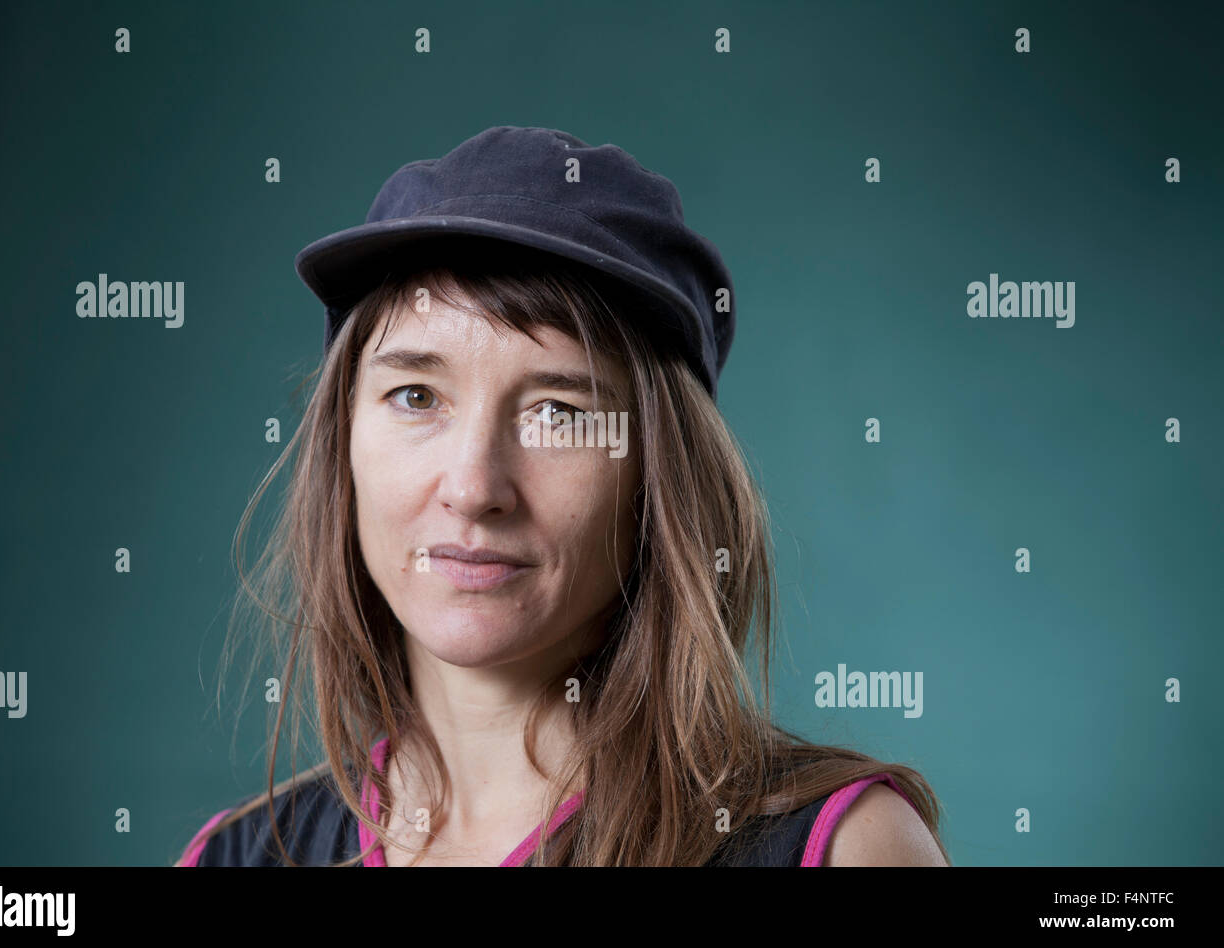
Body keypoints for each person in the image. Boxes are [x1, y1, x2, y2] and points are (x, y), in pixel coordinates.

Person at [175, 126, 950, 866]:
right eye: (416, 396)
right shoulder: (234, 857)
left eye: (560, 412)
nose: (474, 488)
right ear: (343, 442)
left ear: (661, 474)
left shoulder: (845, 849)